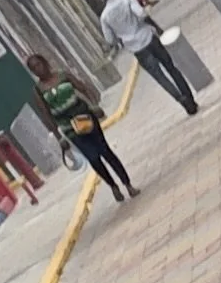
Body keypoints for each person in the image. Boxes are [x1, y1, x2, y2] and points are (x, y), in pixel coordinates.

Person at [27, 52, 139, 204]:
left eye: (38, 64)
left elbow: (83, 88)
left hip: (85, 117)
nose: (37, 69)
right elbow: (47, 114)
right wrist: (59, 137)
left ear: (44, 63)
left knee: (105, 151)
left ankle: (128, 184)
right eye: (33, 68)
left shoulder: (62, 75)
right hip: (69, 127)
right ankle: (113, 185)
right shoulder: (38, 90)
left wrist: (94, 105)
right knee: (93, 158)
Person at [99, 0, 198, 115]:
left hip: (137, 49)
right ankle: (190, 98)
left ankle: (181, 100)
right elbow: (142, 14)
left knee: (160, 77)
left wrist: (121, 37)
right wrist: (157, 28)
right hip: (149, 38)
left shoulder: (104, 17)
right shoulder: (128, 1)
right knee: (171, 68)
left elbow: (110, 40)